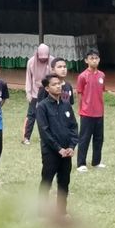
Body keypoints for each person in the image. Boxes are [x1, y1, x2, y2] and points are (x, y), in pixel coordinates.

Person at [36, 73, 78, 216]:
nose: (58, 86)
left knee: (64, 182)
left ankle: (62, 211)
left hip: (67, 152)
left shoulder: (66, 104)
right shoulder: (42, 107)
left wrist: (71, 147)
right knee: (47, 181)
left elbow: (73, 127)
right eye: (54, 84)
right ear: (47, 88)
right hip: (51, 153)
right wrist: (58, 148)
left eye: (59, 83)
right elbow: (44, 132)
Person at [75, 49, 107, 172]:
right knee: (84, 138)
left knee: (99, 138)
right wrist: (81, 109)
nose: (94, 60)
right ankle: (81, 163)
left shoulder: (102, 75)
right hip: (87, 113)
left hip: (99, 112)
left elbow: (102, 91)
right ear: (86, 60)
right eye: (91, 58)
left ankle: (96, 161)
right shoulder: (82, 76)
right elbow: (79, 93)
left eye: (96, 58)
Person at [22, 43, 52, 144]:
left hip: (48, 92)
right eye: (41, 57)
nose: (43, 60)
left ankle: (45, 136)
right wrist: (28, 92)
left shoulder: (52, 61)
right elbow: (28, 78)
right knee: (31, 115)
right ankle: (26, 137)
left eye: (45, 58)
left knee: (47, 116)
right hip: (35, 92)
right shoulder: (31, 62)